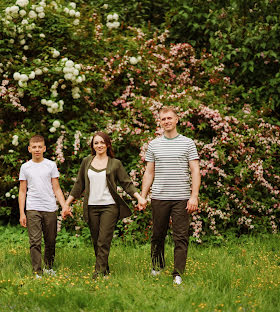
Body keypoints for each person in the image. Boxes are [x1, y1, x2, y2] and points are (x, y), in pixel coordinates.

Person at [65, 131, 147, 278]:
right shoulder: (87, 162)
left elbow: (127, 183)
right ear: (92, 146)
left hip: (110, 206)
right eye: (96, 143)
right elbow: (79, 185)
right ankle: (105, 269)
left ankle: (99, 272)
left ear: (108, 144)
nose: (99, 145)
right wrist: (66, 204)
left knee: (104, 240)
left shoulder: (115, 163)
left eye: (102, 142)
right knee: (96, 240)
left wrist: (139, 198)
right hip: (91, 207)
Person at [139, 106, 201, 285]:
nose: (166, 121)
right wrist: (143, 195)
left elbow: (195, 170)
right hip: (159, 197)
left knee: (181, 237)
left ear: (176, 120)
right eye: (163, 119)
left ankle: (178, 274)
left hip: (182, 198)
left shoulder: (188, 143)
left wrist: (194, 196)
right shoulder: (154, 144)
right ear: (160, 122)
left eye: (169, 118)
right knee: (158, 235)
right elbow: (149, 172)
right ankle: (157, 267)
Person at [18, 134, 71, 278]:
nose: (37, 150)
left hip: (50, 208)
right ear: (29, 149)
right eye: (34, 147)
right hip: (32, 208)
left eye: (39, 147)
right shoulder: (25, 167)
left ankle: (49, 267)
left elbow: (57, 188)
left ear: (44, 148)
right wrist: (22, 213)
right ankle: (37, 271)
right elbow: (22, 192)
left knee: (50, 240)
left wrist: (64, 205)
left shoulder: (50, 165)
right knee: (35, 241)